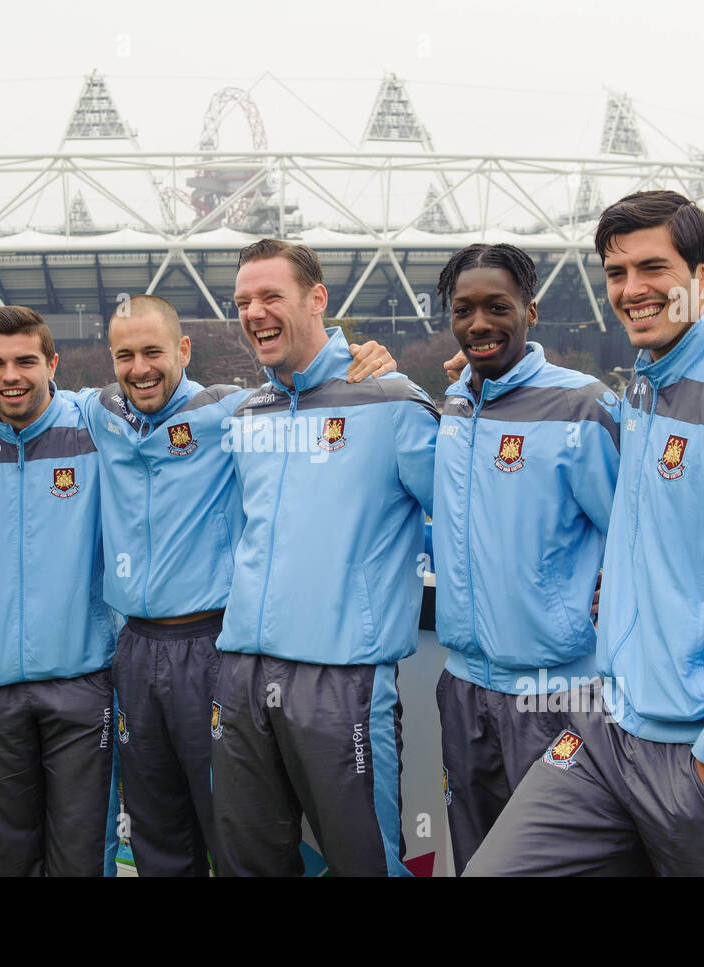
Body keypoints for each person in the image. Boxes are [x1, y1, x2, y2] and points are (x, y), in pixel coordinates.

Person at [465, 190, 704, 877]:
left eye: (652, 268)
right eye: (616, 273)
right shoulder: (645, 387)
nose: (632, 290)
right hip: (612, 731)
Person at [0, 295, 396, 876]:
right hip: (135, 653)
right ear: (108, 361)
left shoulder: (232, 410)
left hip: (213, 647)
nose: (140, 368)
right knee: (155, 830)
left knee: (236, 827)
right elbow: (21, 389)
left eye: (153, 352)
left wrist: (358, 363)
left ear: (183, 350)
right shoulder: (97, 414)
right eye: (125, 355)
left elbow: (305, 395)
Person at [210, 239, 438, 877]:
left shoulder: (390, 399)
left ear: (317, 299)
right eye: (243, 301)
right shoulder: (247, 410)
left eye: (270, 296)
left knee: (363, 863)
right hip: (242, 675)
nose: (254, 312)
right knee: (246, 862)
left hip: (343, 680)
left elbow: (463, 517)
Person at [430, 243, 619, 875]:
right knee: (477, 859)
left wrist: (603, 599)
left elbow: (635, 533)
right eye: (464, 309)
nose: (479, 323)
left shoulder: (582, 406)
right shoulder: (455, 403)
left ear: (530, 312)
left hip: (556, 690)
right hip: (464, 687)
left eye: (497, 307)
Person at [0, 305, 115, 876]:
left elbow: (168, 390)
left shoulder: (94, 426)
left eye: (26, 361)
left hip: (80, 685)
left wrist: (347, 364)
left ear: (54, 363)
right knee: (8, 858)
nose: (10, 376)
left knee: (80, 859)